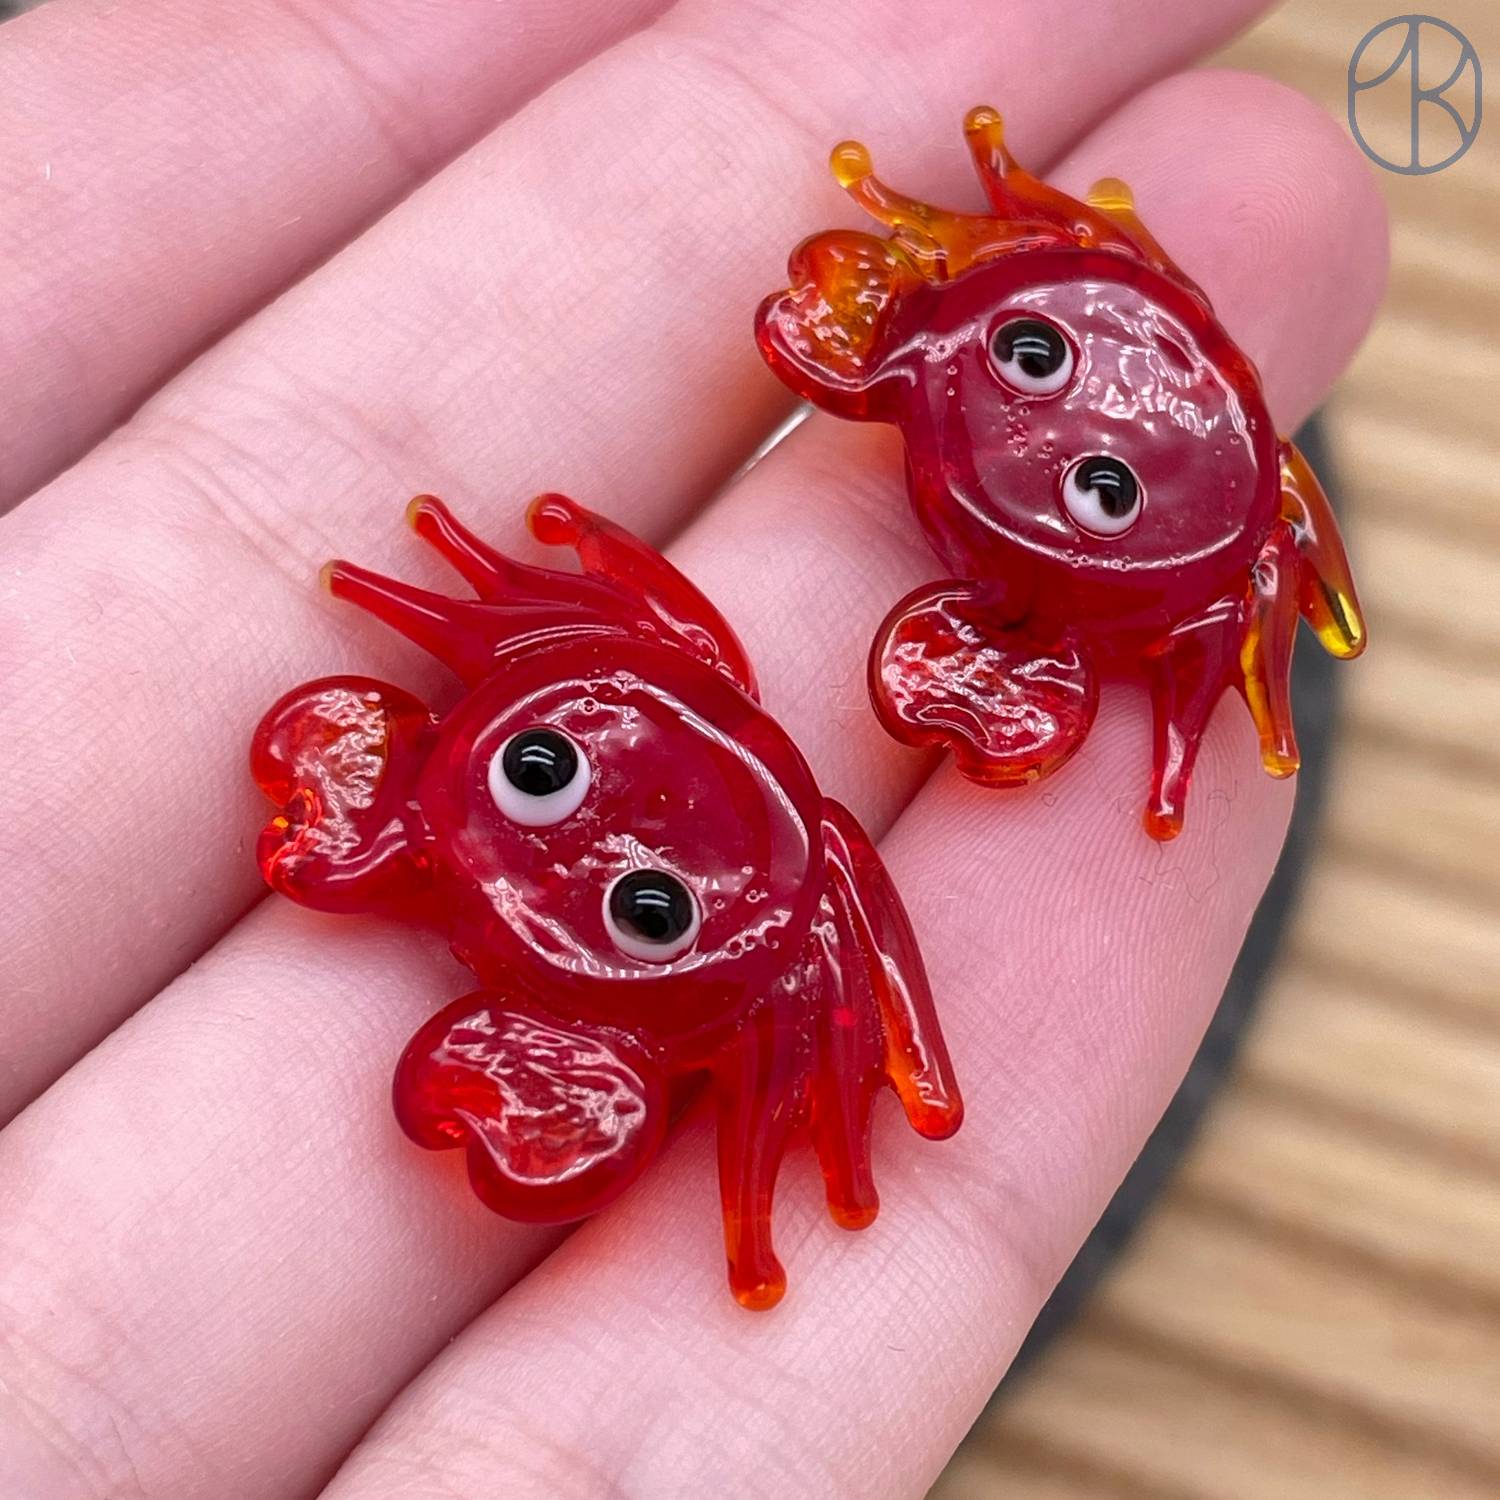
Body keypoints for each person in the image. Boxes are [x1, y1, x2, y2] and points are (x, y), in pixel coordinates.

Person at [0, 0, 1386, 1495]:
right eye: (1039, 353)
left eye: (1106, 486)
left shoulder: (792, 893)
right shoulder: (625, 674)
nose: (1044, 438)